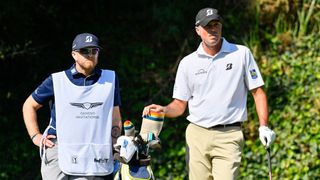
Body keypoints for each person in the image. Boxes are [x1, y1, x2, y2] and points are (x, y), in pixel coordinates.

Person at [142, 8, 276, 180]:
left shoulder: (241, 54)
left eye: (216, 25)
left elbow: (258, 92)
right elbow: (179, 105)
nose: (213, 30)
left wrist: (263, 125)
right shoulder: (188, 63)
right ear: (198, 30)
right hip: (197, 135)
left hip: (229, 135)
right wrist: (164, 109)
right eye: (207, 26)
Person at [22, 33, 122, 180]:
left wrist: (116, 146)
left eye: (94, 51)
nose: (90, 54)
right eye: (85, 51)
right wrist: (35, 136)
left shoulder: (110, 78)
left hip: (95, 153)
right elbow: (29, 105)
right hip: (58, 148)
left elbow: (115, 116)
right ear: (74, 54)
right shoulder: (57, 80)